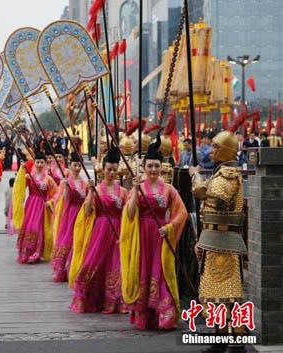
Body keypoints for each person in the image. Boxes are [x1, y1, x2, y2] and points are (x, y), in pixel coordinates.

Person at [189, 114, 249, 353]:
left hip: (224, 241)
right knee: (216, 293)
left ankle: (236, 339)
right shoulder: (221, 171)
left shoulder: (228, 175)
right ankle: (221, 337)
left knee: (230, 293)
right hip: (214, 239)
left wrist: (195, 174)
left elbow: (202, 191)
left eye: (215, 147)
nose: (211, 151)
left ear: (225, 150)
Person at [120, 133, 187, 330]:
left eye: (156, 166)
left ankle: (164, 316)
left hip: (160, 235)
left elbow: (181, 212)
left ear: (161, 167)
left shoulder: (169, 189)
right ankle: (144, 316)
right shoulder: (138, 188)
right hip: (141, 236)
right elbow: (130, 213)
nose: (153, 170)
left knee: (162, 272)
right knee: (144, 270)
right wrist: (134, 192)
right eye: (149, 166)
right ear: (143, 168)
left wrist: (170, 227)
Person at [70, 145, 127, 313]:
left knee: (115, 265)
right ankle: (88, 298)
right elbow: (87, 211)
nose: (111, 173)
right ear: (102, 170)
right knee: (94, 263)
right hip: (100, 231)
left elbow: (126, 215)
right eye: (109, 169)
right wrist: (90, 192)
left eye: (114, 170)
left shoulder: (123, 191)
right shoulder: (96, 189)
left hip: (117, 232)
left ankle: (113, 300)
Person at [13, 149, 57, 264]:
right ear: (34, 163)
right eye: (37, 162)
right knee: (29, 226)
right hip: (31, 204)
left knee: (38, 228)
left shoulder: (48, 179)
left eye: (42, 162)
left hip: (42, 206)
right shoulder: (29, 176)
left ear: (45, 163)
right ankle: (27, 251)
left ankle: (37, 252)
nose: (39, 164)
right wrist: (21, 170)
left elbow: (56, 194)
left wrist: (51, 201)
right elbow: (19, 185)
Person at [51, 152, 87, 282]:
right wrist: (66, 187)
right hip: (69, 214)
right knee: (68, 239)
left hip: (81, 215)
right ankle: (63, 268)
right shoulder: (65, 182)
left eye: (79, 165)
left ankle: (75, 267)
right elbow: (63, 199)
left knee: (79, 240)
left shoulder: (85, 183)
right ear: (70, 166)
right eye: (75, 165)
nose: (77, 168)